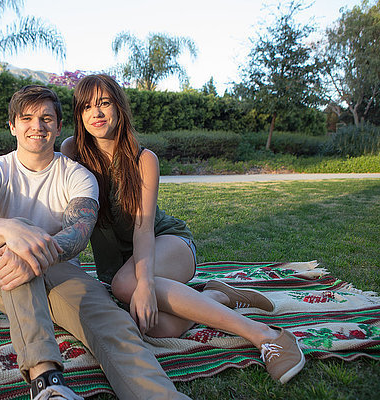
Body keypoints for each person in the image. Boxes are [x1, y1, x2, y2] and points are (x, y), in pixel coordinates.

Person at [60, 74, 306, 384]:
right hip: (119, 264)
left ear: (119, 108)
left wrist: (145, 284)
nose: (95, 113)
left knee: (127, 286)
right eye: (86, 107)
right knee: (159, 327)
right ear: (78, 115)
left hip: (166, 242)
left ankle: (266, 335)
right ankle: (217, 296)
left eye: (104, 103)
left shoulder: (143, 159)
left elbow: (143, 229)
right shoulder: (72, 151)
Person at [0, 85, 192, 399]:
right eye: (26, 118)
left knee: (115, 323)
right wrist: (13, 230)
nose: (37, 126)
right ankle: (47, 385)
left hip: (63, 272)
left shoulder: (77, 175)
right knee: (15, 256)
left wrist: (33, 249)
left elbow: (79, 232)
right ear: (12, 126)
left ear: (58, 126)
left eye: (46, 118)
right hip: (8, 276)